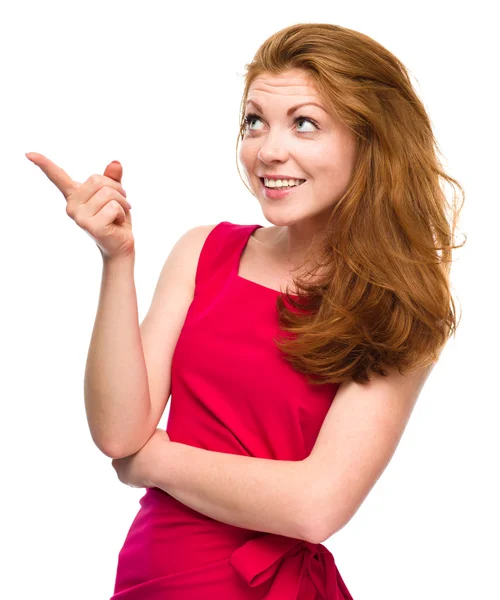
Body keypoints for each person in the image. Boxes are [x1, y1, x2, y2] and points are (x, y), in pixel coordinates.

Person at [27, 22, 465, 600]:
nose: (267, 149)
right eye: (254, 121)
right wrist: (117, 260)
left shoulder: (398, 304)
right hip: (156, 570)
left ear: (371, 142)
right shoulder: (203, 251)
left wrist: (154, 460)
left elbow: (315, 506)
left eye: (304, 123)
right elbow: (117, 433)